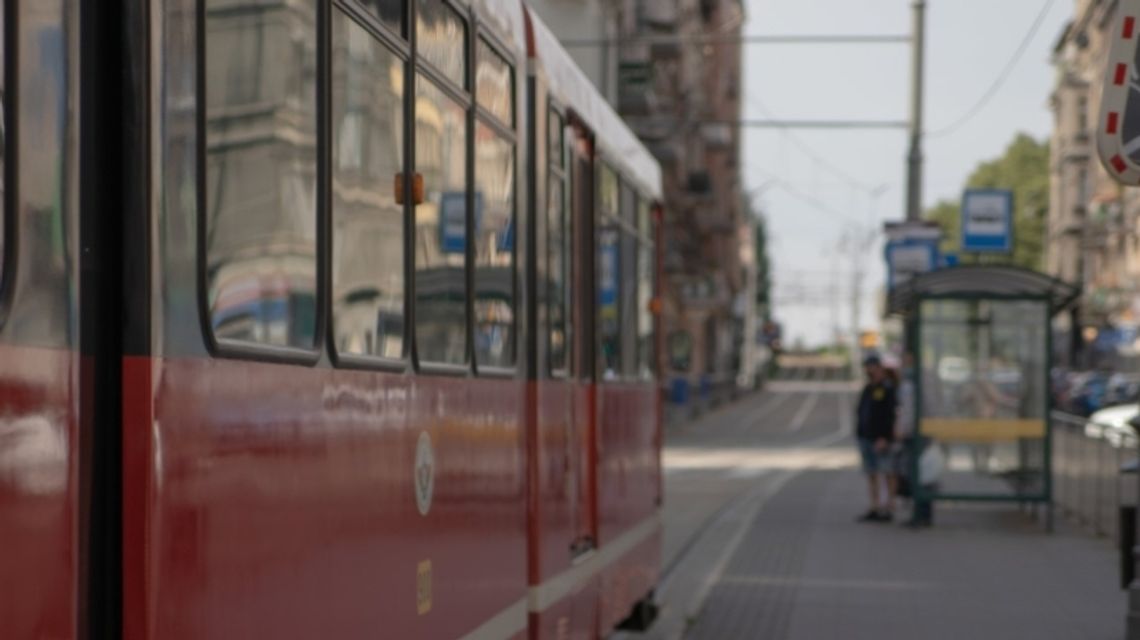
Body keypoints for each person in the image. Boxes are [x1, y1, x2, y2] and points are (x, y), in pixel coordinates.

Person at [856, 354, 897, 522]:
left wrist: (885, 437)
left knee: (887, 472)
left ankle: (889, 506)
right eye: (867, 367)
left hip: (881, 439)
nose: (868, 370)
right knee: (871, 473)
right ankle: (875, 506)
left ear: (879, 368)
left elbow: (890, 415)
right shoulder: (869, 387)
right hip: (866, 436)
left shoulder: (887, 388)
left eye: (871, 367)